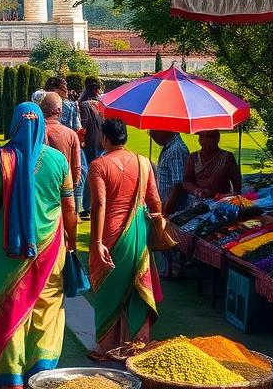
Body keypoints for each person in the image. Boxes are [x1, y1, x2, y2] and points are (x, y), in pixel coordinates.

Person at [0, 103, 77, 385]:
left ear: (15, 124)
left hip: (8, 251)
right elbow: (70, 210)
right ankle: (40, 375)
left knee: (10, 308)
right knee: (47, 312)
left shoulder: (4, 158)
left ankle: (11, 377)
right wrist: (72, 245)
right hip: (50, 250)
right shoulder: (58, 160)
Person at [88, 118, 163, 357]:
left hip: (110, 234)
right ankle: (138, 344)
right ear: (125, 138)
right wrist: (157, 225)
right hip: (138, 233)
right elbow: (155, 201)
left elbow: (99, 204)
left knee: (107, 288)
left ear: (105, 138)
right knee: (137, 285)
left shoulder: (99, 165)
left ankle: (107, 346)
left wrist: (98, 242)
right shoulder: (143, 162)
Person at [40, 93, 82, 196]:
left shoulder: (34, 131)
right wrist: (71, 187)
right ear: (59, 110)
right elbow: (76, 167)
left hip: (38, 187)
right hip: (62, 187)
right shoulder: (71, 135)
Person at [182, 130, 242, 200]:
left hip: (220, 202)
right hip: (198, 202)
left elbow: (237, 186)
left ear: (217, 138)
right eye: (201, 136)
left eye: (208, 136)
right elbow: (187, 181)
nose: (204, 140)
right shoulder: (194, 157)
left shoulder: (227, 157)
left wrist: (220, 196)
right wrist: (196, 190)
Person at [150, 130, 190, 217]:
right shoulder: (169, 147)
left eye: (153, 133)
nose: (151, 136)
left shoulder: (176, 150)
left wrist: (165, 213)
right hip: (167, 206)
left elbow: (177, 185)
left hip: (174, 211)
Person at [78, 85, 104, 218]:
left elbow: (84, 125)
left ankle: (87, 206)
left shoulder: (85, 105)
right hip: (103, 142)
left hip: (91, 143)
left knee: (89, 174)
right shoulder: (101, 104)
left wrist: (81, 140)